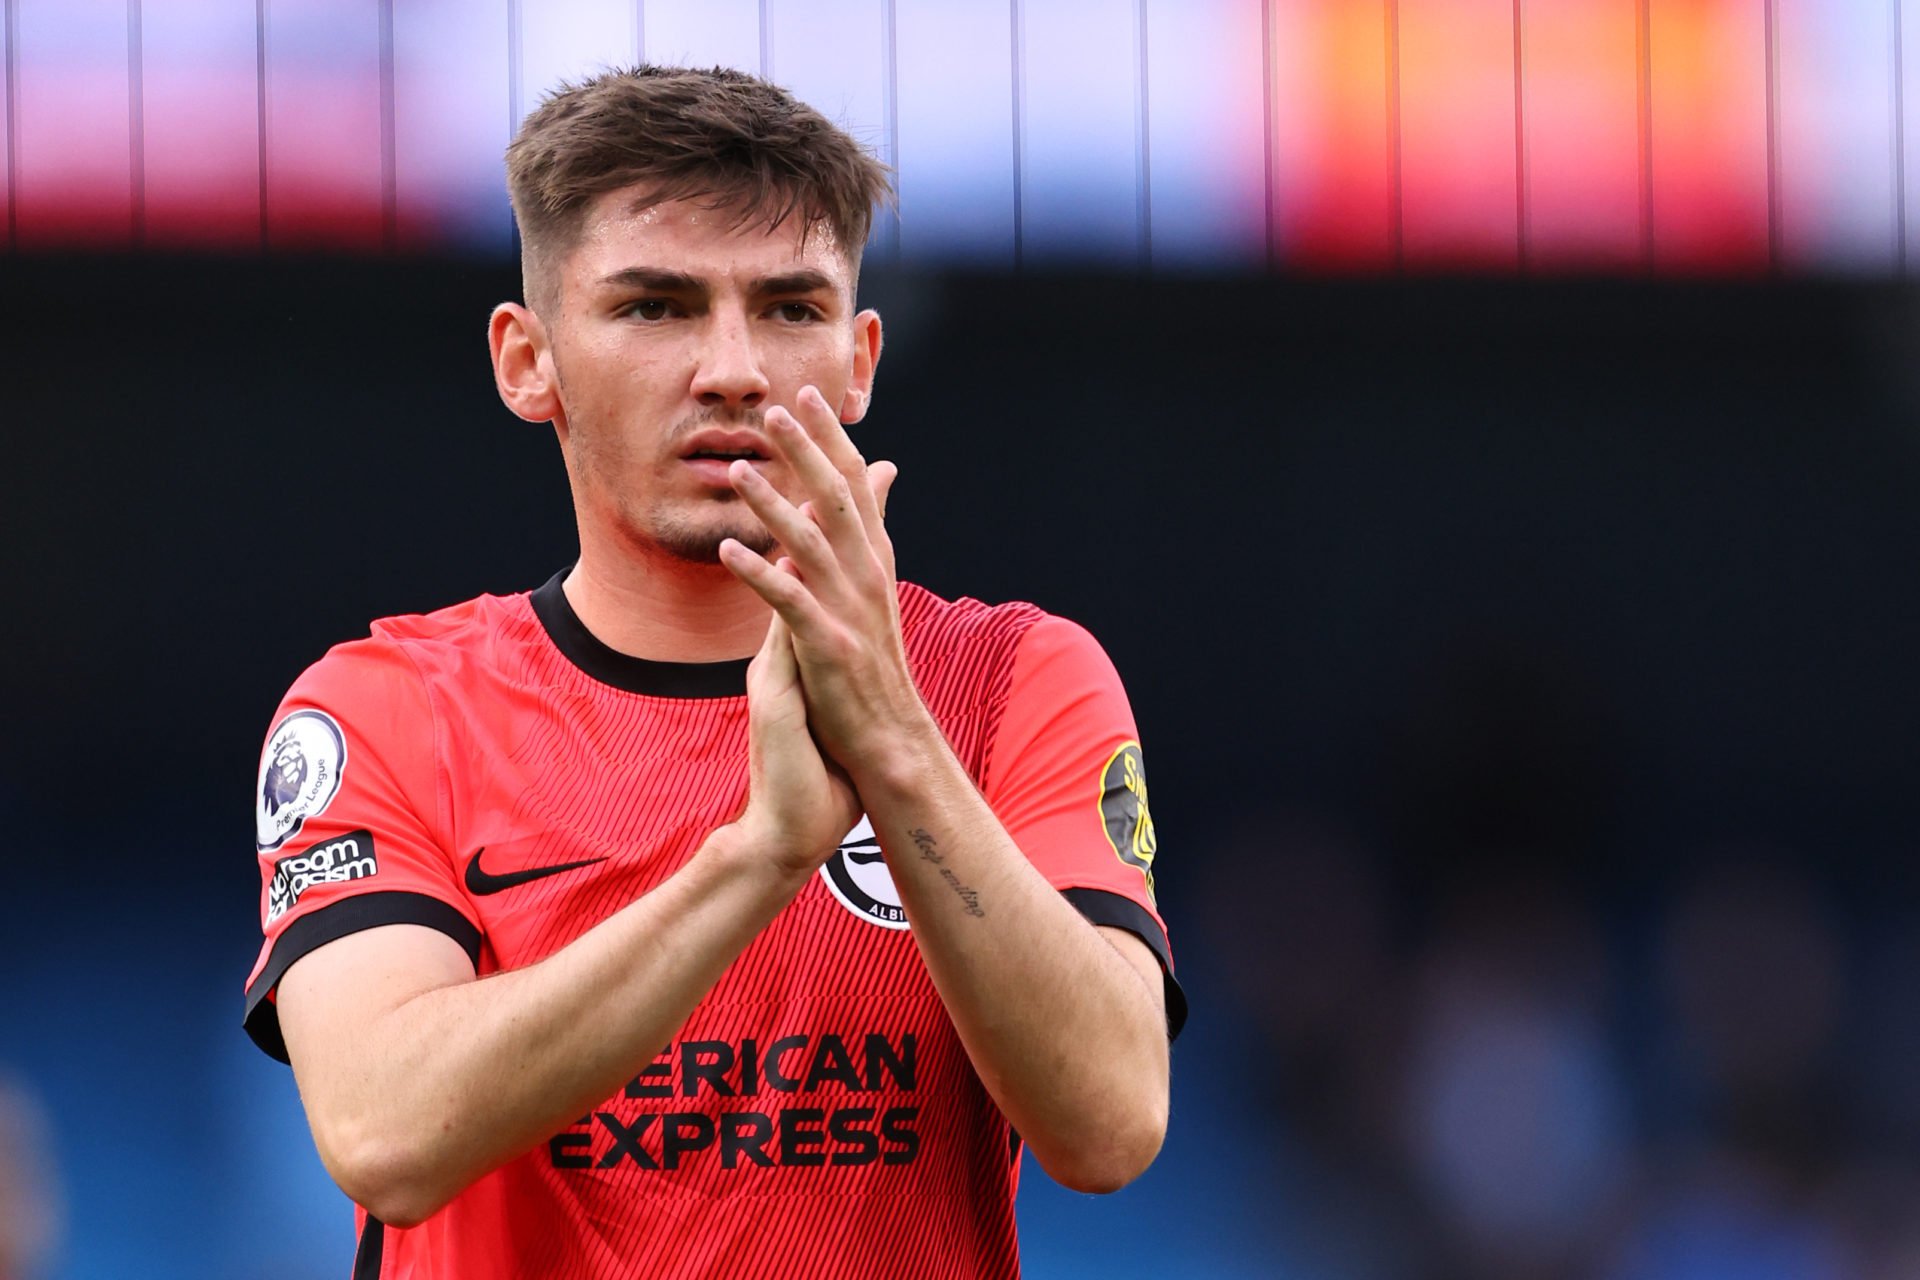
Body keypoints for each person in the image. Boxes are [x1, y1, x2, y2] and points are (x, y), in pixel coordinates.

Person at [241, 64, 1184, 1279]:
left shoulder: (1015, 681)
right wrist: (760, 854)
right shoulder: (388, 707)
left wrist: (895, 745)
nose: (732, 366)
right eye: (656, 307)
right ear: (527, 359)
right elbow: (386, 1131)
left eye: (791, 308)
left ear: (859, 359)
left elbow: (1111, 1122)